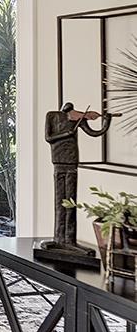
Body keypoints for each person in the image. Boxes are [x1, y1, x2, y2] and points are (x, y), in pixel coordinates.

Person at [41, 102, 112, 255]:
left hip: (72, 160)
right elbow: (49, 137)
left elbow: (94, 132)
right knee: (60, 201)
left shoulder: (78, 119)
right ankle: (59, 238)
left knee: (70, 201)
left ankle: (69, 240)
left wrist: (107, 121)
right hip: (58, 160)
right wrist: (66, 134)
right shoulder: (52, 116)